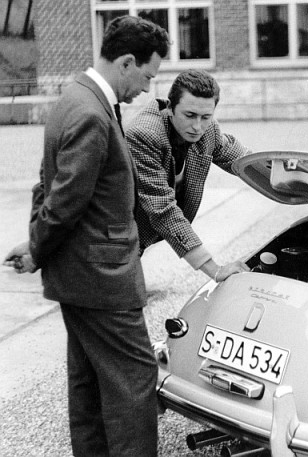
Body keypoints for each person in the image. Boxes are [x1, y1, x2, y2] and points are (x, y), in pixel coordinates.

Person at [3, 16, 170, 457]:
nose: (148, 89)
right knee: (135, 380)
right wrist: (38, 248)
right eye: (148, 76)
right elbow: (64, 201)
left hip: (78, 276)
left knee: (89, 381)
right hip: (102, 280)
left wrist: (37, 242)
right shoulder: (93, 112)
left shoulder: (73, 98)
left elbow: (48, 185)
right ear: (128, 61)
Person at [125, 69, 251, 281]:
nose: (197, 126)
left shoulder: (207, 130)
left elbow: (244, 161)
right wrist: (216, 271)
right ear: (170, 108)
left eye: (205, 117)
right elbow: (162, 210)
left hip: (138, 236)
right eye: (190, 115)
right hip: (107, 240)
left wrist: (291, 176)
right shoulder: (144, 135)